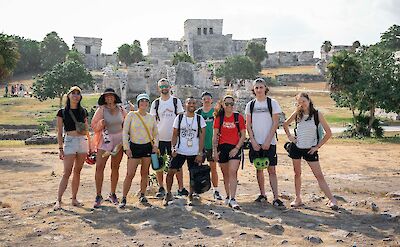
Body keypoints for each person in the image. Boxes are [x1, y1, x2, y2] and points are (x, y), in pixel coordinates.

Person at [283, 92, 338, 210]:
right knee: (297, 173)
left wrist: (317, 147)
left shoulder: (317, 114)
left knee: (319, 176)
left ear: (308, 100)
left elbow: (328, 133)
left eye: (304, 101)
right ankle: (298, 198)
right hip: (296, 148)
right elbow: (285, 124)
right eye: (299, 102)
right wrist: (290, 137)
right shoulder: (297, 114)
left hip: (310, 150)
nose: (302, 104)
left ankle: (332, 199)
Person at [245, 78, 285, 209]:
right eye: (256, 88)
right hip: (256, 142)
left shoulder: (272, 103)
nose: (259, 90)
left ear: (265, 88)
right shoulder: (250, 105)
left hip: (270, 142)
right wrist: (253, 141)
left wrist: (268, 140)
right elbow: (248, 125)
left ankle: (276, 197)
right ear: (253, 90)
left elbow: (275, 123)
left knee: (272, 170)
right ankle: (262, 194)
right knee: (259, 168)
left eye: (261, 87)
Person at [163, 97, 206, 206]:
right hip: (180, 150)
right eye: (189, 102)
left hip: (194, 151)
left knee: (193, 175)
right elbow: (174, 134)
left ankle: (190, 195)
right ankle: (168, 193)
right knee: (170, 172)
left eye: (193, 103)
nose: (191, 104)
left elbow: (202, 137)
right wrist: (173, 147)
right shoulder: (180, 117)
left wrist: (200, 152)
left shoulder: (199, 119)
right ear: (185, 104)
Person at [150, 78, 188, 198]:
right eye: (161, 87)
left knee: (177, 164)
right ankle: (161, 187)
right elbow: (152, 122)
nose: (164, 88)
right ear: (158, 88)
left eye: (165, 86)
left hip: (174, 139)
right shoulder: (155, 103)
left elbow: (181, 119)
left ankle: (181, 187)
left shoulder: (176, 102)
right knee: (158, 164)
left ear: (170, 87)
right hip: (159, 139)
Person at [119, 93, 158, 208]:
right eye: (142, 101)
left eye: (146, 101)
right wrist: (127, 148)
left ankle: (142, 194)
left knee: (145, 173)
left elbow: (156, 133)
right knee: (130, 174)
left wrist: (155, 145)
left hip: (146, 147)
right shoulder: (131, 115)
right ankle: (124, 197)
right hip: (134, 147)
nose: (144, 103)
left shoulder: (151, 117)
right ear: (138, 103)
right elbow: (125, 132)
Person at [54, 86, 90, 210]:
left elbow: (87, 129)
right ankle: (58, 200)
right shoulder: (62, 112)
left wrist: (89, 146)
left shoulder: (83, 111)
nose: (75, 95)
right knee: (67, 172)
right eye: (73, 93)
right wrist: (60, 148)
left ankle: (74, 198)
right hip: (69, 141)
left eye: (78, 93)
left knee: (77, 171)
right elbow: (59, 132)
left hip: (82, 141)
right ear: (68, 95)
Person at [91, 88, 127, 208]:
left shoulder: (121, 109)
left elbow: (127, 124)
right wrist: (100, 124)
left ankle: (113, 193)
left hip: (119, 141)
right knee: (100, 167)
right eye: (107, 96)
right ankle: (98, 195)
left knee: (115, 167)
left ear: (115, 97)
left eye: (111, 96)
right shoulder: (101, 110)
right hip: (105, 140)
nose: (109, 98)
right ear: (104, 98)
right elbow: (94, 126)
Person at [212, 95, 246, 210]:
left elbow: (243, 135)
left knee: (233, 172)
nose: (229, 106)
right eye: (227, 104)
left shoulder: (238, 117)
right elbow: (215, 136)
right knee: (225, 173)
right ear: (223, 104)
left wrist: (236, 148)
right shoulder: (219, 118)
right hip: (222, 148)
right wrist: (214, 151)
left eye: (231, 104)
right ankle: (227, 196)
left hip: (234, 147)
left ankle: (233, 198)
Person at [195, 91, 222, 200]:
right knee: (197, 168)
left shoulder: (215, 113)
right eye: (204, 98)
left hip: (211, 145)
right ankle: (196, 190)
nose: (206, 100)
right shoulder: (198, 113)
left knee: (213, 168)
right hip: (199, 145)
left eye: (208, 98)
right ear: (202, 100)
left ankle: (216, 190)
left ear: (211, 100)